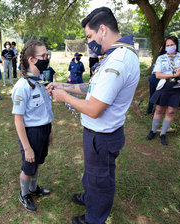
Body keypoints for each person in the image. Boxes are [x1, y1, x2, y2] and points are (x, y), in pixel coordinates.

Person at [46, 7, 140, 224]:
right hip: (101, 134)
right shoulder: (117, 54)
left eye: (90, 36)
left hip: (102, 135)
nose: (89, 42)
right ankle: (90, 198)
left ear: (103, 30)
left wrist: (64, 97)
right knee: (94, 173)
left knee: (100, 179)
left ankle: (94, 218)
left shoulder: (118, 60)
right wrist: (63, 85)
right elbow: (93, 87)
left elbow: (94, 109)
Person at [11, 40, 53, 212]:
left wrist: (50, 131)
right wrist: (27, 148)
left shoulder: (40, 81)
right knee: (28, 167)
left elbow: (46, 110)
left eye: (46, 55)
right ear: (31, 60)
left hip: (44, 129)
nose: (46, 58)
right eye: (43, 56)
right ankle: (24, 193)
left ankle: (34, 189)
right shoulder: (22, 86)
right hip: (31, 133)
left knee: (38, 163)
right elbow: (18, 120)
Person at [146, 36, 180, 146]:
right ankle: (153, 131)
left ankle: (163, 134)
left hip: (178, 87)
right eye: (167, 45)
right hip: (165, 85)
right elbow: (158, 74)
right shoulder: (161, 58)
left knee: (171, 111)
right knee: (159, 109)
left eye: (172, 45)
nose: (169, 47)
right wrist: (174, 74)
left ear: (176, 45)